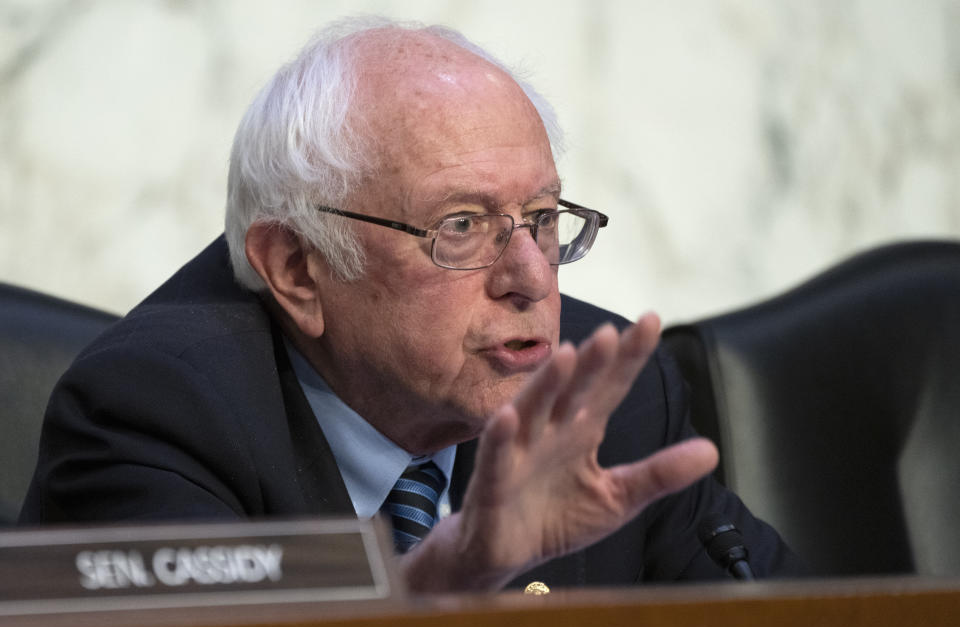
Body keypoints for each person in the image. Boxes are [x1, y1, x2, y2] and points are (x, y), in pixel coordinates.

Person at [20, 17, 804, 591]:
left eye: (539, 219)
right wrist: (446, 582)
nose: (531, 278)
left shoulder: (607, 397)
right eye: (461, 227)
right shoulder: (160, 414)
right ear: (297, 267)